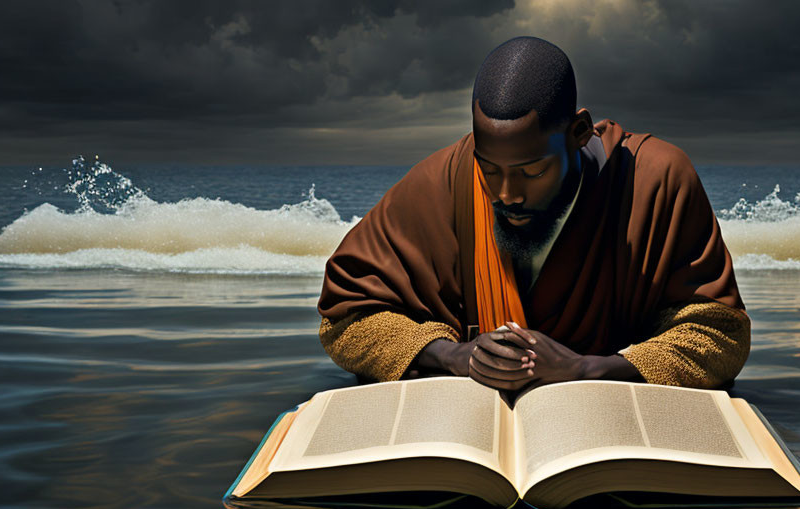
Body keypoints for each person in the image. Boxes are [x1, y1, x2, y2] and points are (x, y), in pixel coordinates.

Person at [318, 36, 750, 401]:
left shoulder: (656, 181)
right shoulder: (443, 181)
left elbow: (721, 336)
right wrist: (453, 356)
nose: (506, 194)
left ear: (579, 133)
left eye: (533, 171)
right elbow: (344, 319)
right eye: (489, 169)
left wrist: (587, 369)